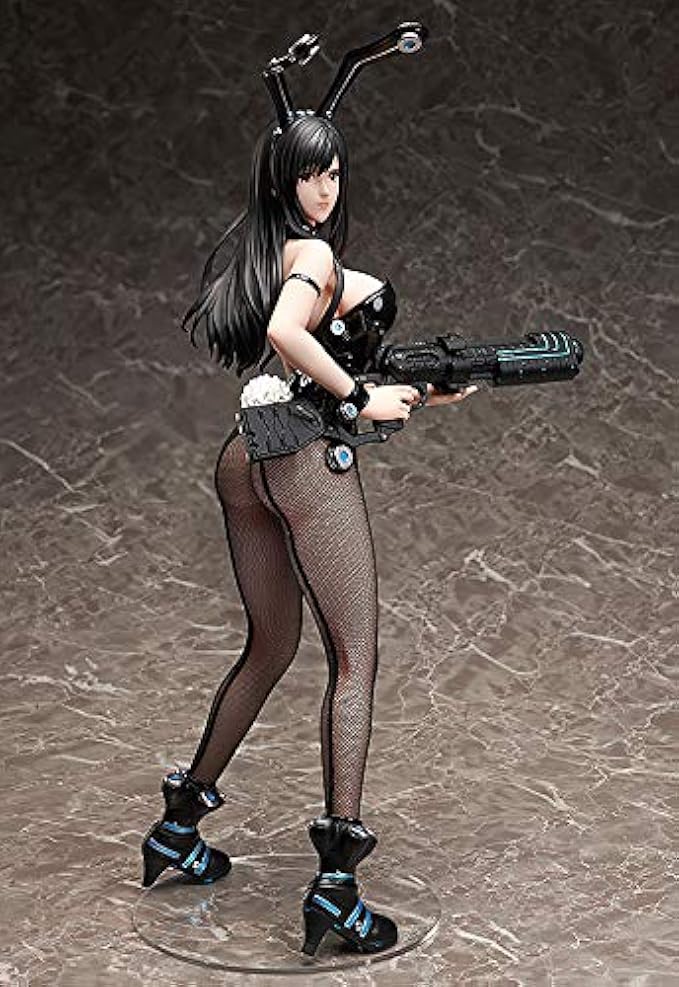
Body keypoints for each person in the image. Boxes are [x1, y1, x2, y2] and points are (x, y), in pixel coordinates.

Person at [140, 25, 476, 957]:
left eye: (332, 172)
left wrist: (409, 390)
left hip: (246, 454)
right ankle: (336, 890)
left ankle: (175, 827)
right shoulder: (313, 259)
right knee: (354, 658)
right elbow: (292, 337)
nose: (324, 189)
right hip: (299, 462)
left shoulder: (277, 245)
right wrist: (360, 396)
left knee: (271, 644)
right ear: (281, 180)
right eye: (307, 174)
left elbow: (314, 366)